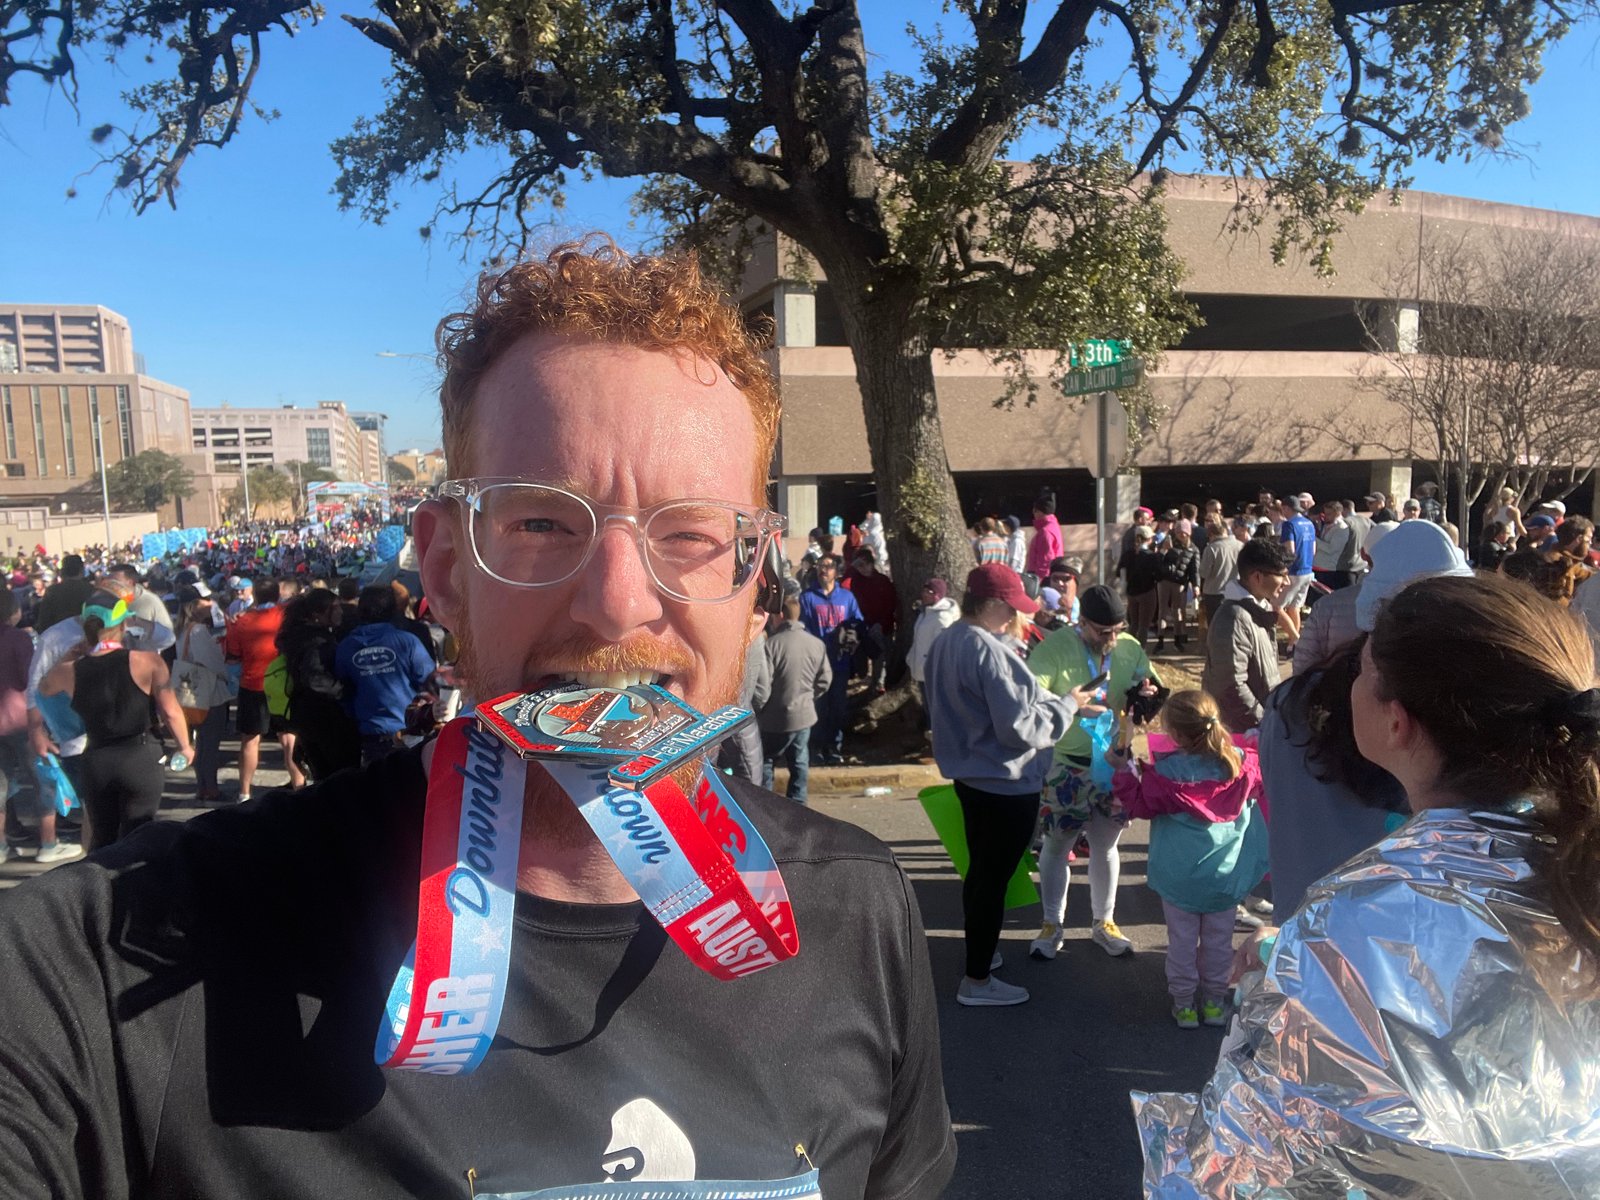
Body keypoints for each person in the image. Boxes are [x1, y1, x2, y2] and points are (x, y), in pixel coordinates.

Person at [0, 241, 956, 1198]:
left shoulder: (858, 911)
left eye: (693, 533)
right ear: (447, 569)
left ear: (755, 585)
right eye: (541, 523)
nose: (617, 606)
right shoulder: (99, 959)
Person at [1136, 571, 1600, 1195]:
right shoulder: (1572, 867)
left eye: (1361, 669)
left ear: (1397, 723)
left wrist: (1310, 962)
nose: (1347, 682)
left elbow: (1250, 1169)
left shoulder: (1351, 925)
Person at [924, 563, 1086, 1007]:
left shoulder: (948, 640)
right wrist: (1068, 706)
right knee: (992, 881)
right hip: (1006, 782)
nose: (1016, 615)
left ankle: (982, 954)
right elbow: (1020, 728)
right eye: (1011, 606)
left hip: (971, 776)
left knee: (981, 875)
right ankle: (976, 980)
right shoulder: (987, 649)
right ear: (992, 604)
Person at [1110, 689, 1266, 1029]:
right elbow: (1263, 778)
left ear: (1176, 735)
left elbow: (1137, 804)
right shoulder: (1243, 765)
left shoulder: (1165, 775)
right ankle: (1214, 1004)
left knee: (1181, 942)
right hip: (1225, 877)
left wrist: (1123, 769)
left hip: (1178, 877)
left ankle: (1184, 1007)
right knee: (1219, 943)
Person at [1027, 584, 1162, 960]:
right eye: (1104, 632)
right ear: (1081, 622)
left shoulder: (1129, 646)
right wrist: (1069, 705)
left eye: (1118, 629)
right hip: (1067, 765)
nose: (1112, 639)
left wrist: (1147, 695)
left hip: (1114, 763)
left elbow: (1150, 687)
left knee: (1105, 846)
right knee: (1057, 845)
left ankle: (1105, 922)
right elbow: (1030, 697)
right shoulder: (1054, 648)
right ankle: (1052, 924)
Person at [36, 589, 193, 852]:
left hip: (97, 757)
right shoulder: (148, 662)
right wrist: (185, 747)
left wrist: (68, 657)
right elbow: (171, 712)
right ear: (122, 625)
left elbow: (43, 688)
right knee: (140, 835)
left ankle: (98, 879)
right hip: (141, 755)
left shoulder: (69, 671)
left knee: (102, 839)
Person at [0, 590, 76, 865]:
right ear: (14, 612)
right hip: (22, 721)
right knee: (44, 780)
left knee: (1, 787)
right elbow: (31, 679)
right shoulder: (19, 639)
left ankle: (1, 846)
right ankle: (48, 843)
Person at [333, 585, 436, 766]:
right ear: (393, 609)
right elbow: (430, 681)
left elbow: (343, 690)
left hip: (371, 733)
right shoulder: (407, 642)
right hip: (407, 731)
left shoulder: (346, 647)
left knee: (378, 782)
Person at [224, 578, 305, 800]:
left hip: (253, 684)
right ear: (277, 595)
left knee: (250, 740)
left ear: (255, 596)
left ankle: (244, 792)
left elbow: (233, 657)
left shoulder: (241, 621)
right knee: (289, 738)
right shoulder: (286, 617)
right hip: (282, 684)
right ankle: (300, 788)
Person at [1202, 537, 1291, 733]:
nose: (1287, 582)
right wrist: (1264, 722)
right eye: (1282, 575)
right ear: (1257, 577)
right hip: (1241, 733)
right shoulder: (1233, 618)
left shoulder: (1258, 610)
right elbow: (1230, 686)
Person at [276, 587, 360, 782]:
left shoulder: (299, 635)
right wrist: (343, 690)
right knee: (339, 774)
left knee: (323, 775)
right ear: (317, 614)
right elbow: (314, 677)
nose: (340, 612)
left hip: (306, 713)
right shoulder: (316, 641)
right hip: (323, 715)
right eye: (335, 608)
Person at [756, 599, 830, 804]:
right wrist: (809, 697)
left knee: (767, 760)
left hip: (774, 717)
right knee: (799, 760)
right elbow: (825, 680)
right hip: (804, 714)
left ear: (780, 616)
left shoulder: (772, 645)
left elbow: (764, 687)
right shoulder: (817, 644)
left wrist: (759, 709)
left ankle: (767, 804)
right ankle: (798, 803)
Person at [798, 553, 863, 764]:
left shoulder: (847, 597)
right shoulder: (807, 597)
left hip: (840, 662)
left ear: (836, 571)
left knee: (838, 706)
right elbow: (803, 628)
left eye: (828, 566)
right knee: (818, 706)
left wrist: (851, 633)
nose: (823, 570)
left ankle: (834, 747)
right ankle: (816, 747)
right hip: (816, 664)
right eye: (820, 565)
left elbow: (858, 622)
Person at [172, 584, 230, 804]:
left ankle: (202, 786)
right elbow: (212, 662)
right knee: (210, 744)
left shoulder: (182, 629)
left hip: (191, 692)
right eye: (205, 600)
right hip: (209, 693)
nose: (210, 604)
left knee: (202, 742)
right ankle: (210, 788)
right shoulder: (197, 631)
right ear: (194, 605)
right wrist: (226, 674)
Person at [841, 546, 896, 693]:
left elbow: (890, 605)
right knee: (863, 656)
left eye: (866, 565)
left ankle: (879, 684)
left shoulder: (883, 581)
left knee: (881, 657)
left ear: (872, 564)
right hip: (865, 626)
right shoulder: (856, 582)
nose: (863, 569)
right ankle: (865, 677)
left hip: (883, 626)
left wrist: (881, 624)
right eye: (860, 566)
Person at [907, 577, 959, 705]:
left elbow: (944, 648)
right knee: (927, 704)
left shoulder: (943, 618)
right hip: (921, 668)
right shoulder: (925, 612)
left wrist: (932, 666)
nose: (925, 595)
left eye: (929, 592)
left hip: (933, 673)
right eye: (924, 591)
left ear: (938, 595)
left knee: (935, 707)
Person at [1277, 496, 1317, 651]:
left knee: (1276, 607)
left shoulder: (1289, 525)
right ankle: (1292, 645)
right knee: (1294, 607)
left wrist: (1283, 569)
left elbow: (1290, 550)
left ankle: (1296, 639)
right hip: (1307, 569)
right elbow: (1313, 550)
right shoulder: (1309, 523)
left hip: (1293, 571)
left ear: (1286, 508)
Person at [1156, 524, 1199, 651]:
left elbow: (1194, 569)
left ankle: (1177, 639)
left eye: (1183, 532)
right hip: (1164, 580)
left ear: (1188, 533)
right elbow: (1157, 560)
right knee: (1162, 611)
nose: (1181, 535)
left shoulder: (1193, 549)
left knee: (1178, 611)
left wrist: (1196, 585)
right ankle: (1160, 640)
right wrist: (1164, 550)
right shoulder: (1168, 542)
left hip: (1180, 582)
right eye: (1178, 532)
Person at [1197, 516, 1244, 627]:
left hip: (1214, 592)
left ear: (1211, 535)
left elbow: (1204, 573)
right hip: (1236, 590)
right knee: (1233, 623)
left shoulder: (1212, 548)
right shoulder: (1240, 545)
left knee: (1215, 625)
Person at [34, 553, 95, 632]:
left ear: (62, 572)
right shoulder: (91, 590)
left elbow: (44, 621)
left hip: (59, 635)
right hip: (86, 635)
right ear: (82, 571)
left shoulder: (52, 591)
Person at [1125, 525, 1164, 646]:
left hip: (1131, 592)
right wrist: (1161, 555)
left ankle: (1130, 648)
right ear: (1149, 539)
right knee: (1144, 625)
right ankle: (1141, 649)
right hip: (1147, 592)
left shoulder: (1128, 554)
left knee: (1133, 623)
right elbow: (1160, 575)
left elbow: (1119, 572)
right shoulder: (1151, 556)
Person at [1026, 490, 1064, 578]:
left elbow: (1046, 560)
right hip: (1053, 573)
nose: (1033, 513)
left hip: (1042, 577)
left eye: (1035, 510)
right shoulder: (1054, 526)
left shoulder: (1045, 532)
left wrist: (1040, 581)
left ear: (1040, 511)